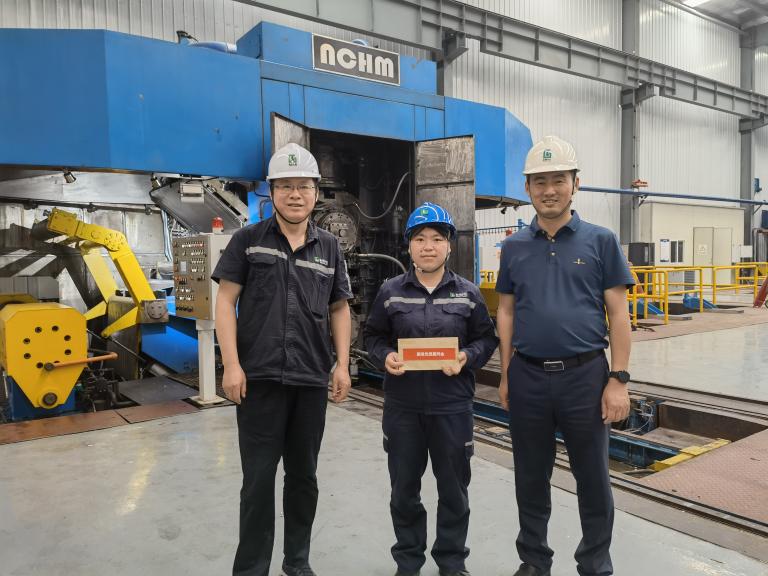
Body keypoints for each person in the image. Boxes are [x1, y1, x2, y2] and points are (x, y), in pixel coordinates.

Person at [495, 135, 635, 576]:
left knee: (593, 479)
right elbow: (506, 311)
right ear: (527, 188)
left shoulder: (601, 241)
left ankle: (594, 565)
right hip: (528, 377)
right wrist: (506, 374)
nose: (549, 190)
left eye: (558, 179)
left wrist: (618, 379)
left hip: (585, 378)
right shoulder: (514, 247)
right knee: (529, 478)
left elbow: (619, 314)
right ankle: (534, 562)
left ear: (576, 183)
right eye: (539, 181)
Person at [212, 142, 353, 576]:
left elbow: (339, 308)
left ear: (316, 193)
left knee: (304, 478)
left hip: (309, 380)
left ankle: (297, 562)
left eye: (304, 186)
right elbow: (225, 301)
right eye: (286, 186)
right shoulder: (248, 241)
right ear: (271, 192)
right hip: (259, 380)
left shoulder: (329, 247)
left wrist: (342, 364)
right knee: (257, 481)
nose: (295, 194)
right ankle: (251, 569)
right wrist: (231, 365)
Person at [364, 202, 498, 576]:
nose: (428, 246)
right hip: (403, 409)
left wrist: (466, 358)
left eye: (437, 239)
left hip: (452, 408)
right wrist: (386, 356)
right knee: (404, 491)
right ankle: (408, 562)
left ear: (449, 246)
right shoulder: (390, 292)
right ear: (409, 245)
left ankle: (452, 563)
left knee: (454, 491)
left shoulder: (468, 294)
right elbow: (372, 336)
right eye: (420, 238)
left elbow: (486, 339)